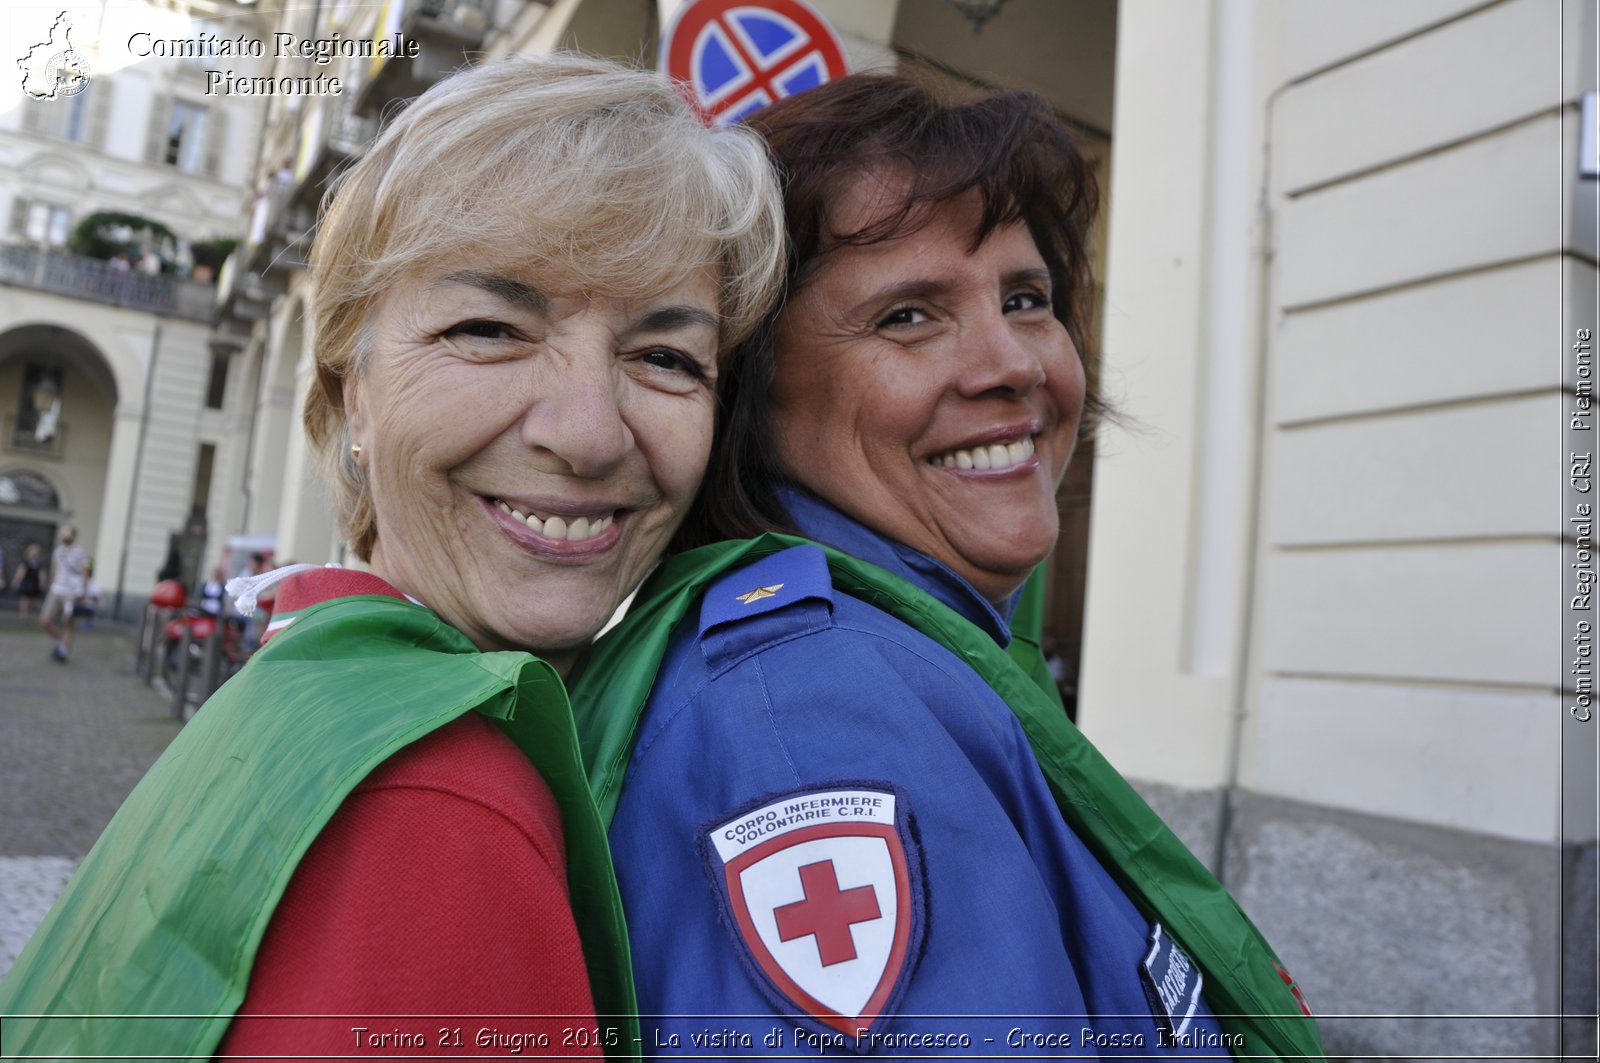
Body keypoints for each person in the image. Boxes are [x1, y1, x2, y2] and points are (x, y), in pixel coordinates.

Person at [0, 53, 784, 1060]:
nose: (590, 433)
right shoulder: (445, 801)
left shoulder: (299, 687)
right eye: (489, 328)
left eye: (666, 357)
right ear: (349, 394)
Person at [572, 75, 1324, 1059]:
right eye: (908, 317)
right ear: (749, 384)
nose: (1011, 362)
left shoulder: (907, 649)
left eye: (1026, 298)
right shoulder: (803, 722)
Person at [40, 524, 87, 662]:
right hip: (56, 588)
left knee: (68, 622)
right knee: (45, 620)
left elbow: (85, 571)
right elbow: (55, 569)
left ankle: (63, 650)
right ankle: (61, 642)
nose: (64, 535)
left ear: (73, 536)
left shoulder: (80, 552)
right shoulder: (58, 551)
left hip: (71, 591)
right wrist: (50, 584)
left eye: (67, 533)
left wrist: (83, 591)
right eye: (63, 533)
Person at [10, 541, 44, 618]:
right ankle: (24, 616)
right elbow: (21, 571)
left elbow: (41, 574)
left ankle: (29, 614)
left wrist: (42, 583)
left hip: (34, 582)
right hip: (26, 581)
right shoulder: (25, 561)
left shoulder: (40, 562)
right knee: (24, 599)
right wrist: (16, 580)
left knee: (33, 600)